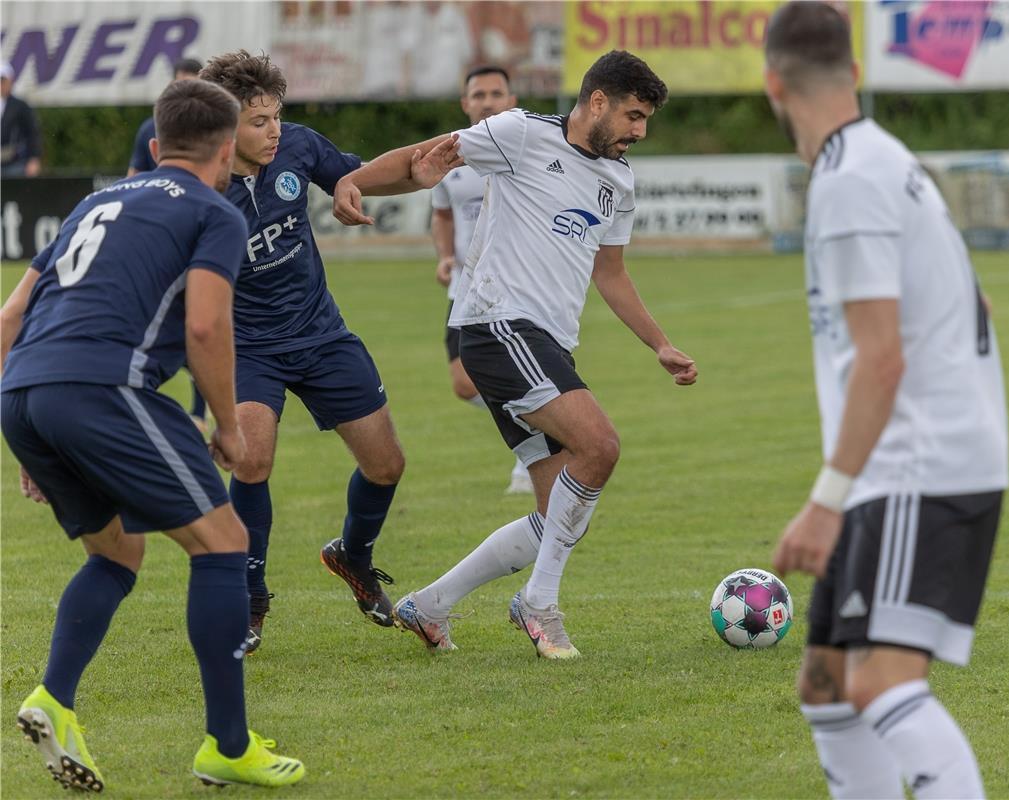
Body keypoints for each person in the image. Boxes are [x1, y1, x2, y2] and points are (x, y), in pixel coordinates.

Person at [335, 49, 698, 659]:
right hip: (497, 326)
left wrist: (659, 343)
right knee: (601, 446)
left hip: (545, 341)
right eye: (634, 116)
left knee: (556, 513)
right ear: (599, 101)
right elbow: (424, 158)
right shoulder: (521, 134)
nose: (640, 131)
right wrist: (351, 180)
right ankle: (540, 604)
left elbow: (611, 274)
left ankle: (430, 605)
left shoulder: (618, 180)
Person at [0, 79, 304, 789]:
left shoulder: (94, 200)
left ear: (158, 144)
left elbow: (11, 314)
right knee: (223, 544)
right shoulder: (214, 210)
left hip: (24, 391)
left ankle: (53, 698)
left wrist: (25, 429)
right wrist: (228, 426)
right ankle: (228, 747)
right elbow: (205, 325)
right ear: (226, 150)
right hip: (102, 387)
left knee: (117, 550)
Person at [764, 4, 1009, 799]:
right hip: (910, 461)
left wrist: (825, 503)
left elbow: (880, 362)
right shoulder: (885, 158)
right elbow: (977, 304)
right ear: (856, 75)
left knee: (880, 685)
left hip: (916, 467)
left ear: (773, 85)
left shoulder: (850, 182)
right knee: (828, 688)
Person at [198, 51, 461, 653]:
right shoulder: (199, 187)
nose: (273, 131)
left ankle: (353, 555)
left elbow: (360, 174)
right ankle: (249, 596)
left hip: (320, 334)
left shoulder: (296, 148)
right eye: (258, 121)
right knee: (252, 458)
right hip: (249, 350)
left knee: (387, 465)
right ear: (222, 124)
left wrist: (415, 175)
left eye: (275, 117)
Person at [431, 65, 531, 494]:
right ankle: (537, 435)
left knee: (520, 374)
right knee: (462, 383)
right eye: (479, 94)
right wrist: (445, 256)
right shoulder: (448, 154)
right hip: (465, 287)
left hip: (514, 285)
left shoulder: (528, 149)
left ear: (511, 101)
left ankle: (531, 458)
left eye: (496, 93)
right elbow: (441, 212)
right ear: (465, 103)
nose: (487, 101)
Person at [128, 57, 209, 432]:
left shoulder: (215, 129)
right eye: (181, 83)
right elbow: (133, 180)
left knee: (198, 321)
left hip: (195, 240)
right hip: (159, 243)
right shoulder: (150, 128)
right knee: (165, 326)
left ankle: (199, 410)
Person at [0, 61, 42, 177]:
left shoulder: (20, 106)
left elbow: (32, 132)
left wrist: (34, 158)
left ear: (10, 81)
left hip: (14, 162)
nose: (1, 84)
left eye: (3, 80)